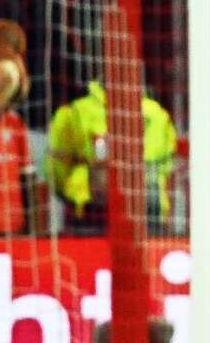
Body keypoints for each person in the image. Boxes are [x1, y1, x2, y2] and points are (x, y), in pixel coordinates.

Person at [45, 78, 176, 235]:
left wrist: (70, 193)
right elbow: (167, 166)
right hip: (146, 208)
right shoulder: (157, 114)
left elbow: (57, 167)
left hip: (89, 209)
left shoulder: (76, 111)